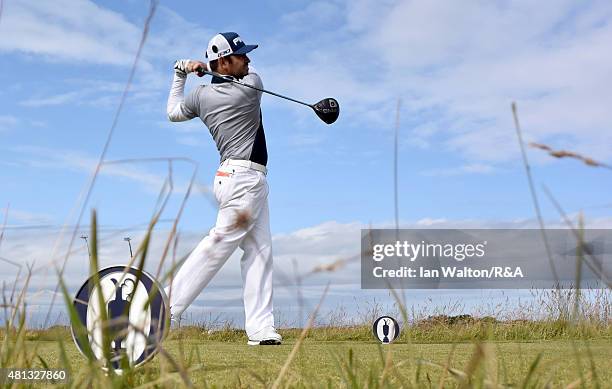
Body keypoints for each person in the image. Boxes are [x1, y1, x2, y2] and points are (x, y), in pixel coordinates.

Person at [164, 32, 281, 345]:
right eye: (241, 55)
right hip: (243, 179)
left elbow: (174, 111)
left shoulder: (201, 96)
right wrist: (209, 67)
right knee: (220, 243)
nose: (248, 60)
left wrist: (181, 73)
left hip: (240, 179)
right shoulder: (251, 87)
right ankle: (162, 307)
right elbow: (251, 76)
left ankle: (260, 329)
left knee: (260, 252)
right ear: (225, 61)